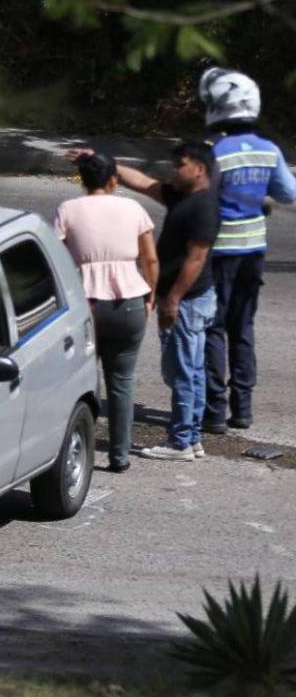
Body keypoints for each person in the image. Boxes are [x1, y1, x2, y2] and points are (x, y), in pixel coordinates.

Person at [196, 68, 296, 432]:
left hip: (220, 252)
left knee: (213, 328)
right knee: (243, 327)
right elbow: (289, 193)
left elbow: (201, 198)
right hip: (254, 251)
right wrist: (259, 200)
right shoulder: (269, 151)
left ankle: (214, 411)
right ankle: (243, 409)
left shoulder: (215, 153)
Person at [111, 141, 221, 461]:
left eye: (180, 165)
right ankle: (192, 437)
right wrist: (109, 164)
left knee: (182, 372)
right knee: (191, 370)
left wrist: (172, 299)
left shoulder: (203, 207)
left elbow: (196, 259)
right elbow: (144, 183)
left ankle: (180, 442)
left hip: (187, 302)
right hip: (188, 300)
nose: (174, 169)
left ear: (199, 169)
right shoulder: (183, 197)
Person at [55, 151, 158, 471]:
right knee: (121, 382)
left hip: (84, 306)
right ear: (114, 178)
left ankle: (71, 452)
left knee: (77, 383)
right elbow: (150, 260)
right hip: (129, 304)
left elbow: (56, 256)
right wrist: (150, 298)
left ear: (82, 180)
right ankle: (119, 456)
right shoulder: (133, 208)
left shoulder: (68, 209)